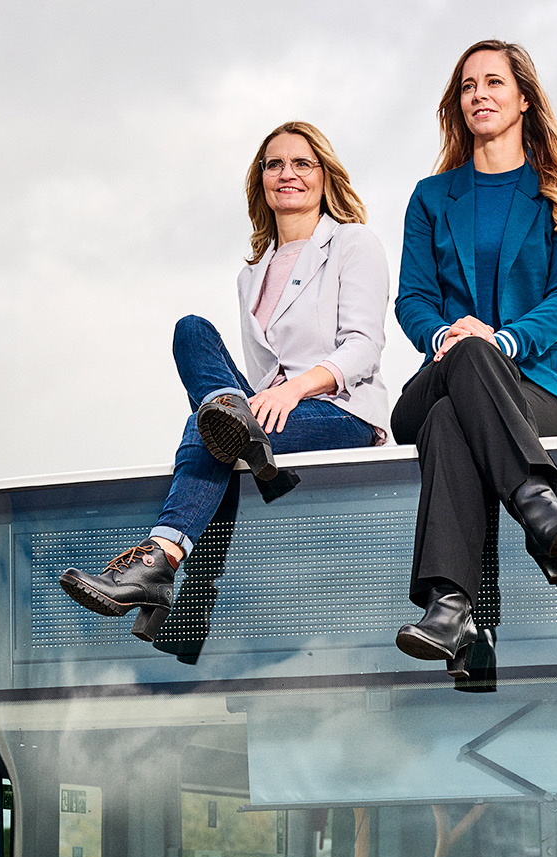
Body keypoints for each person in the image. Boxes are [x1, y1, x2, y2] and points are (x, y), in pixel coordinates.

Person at [60, 121, 389, 641]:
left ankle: (161, 557)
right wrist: (256, 401)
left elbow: (363, 348)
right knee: (192, 334)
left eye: (302, 163)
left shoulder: (353, 243)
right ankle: (232, 434)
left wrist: (292, 390)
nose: (287, 174)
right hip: (267, 416)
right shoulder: (252, 273)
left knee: (208, 425)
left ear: (325, 176)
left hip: (339, 411)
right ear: (260, 180)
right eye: (274, 164)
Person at [391, 40, 557, 678]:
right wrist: (445, 340)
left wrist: (504, 342)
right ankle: (537, 504)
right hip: (444, 369)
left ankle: (451, 605)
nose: (479, 95)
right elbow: (413, 299)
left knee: (451, 421)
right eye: (467, 87)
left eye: (493, 83)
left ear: (523, 99)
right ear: (456, 105)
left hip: (539, 388)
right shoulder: (432, 198)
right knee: (455, 382)